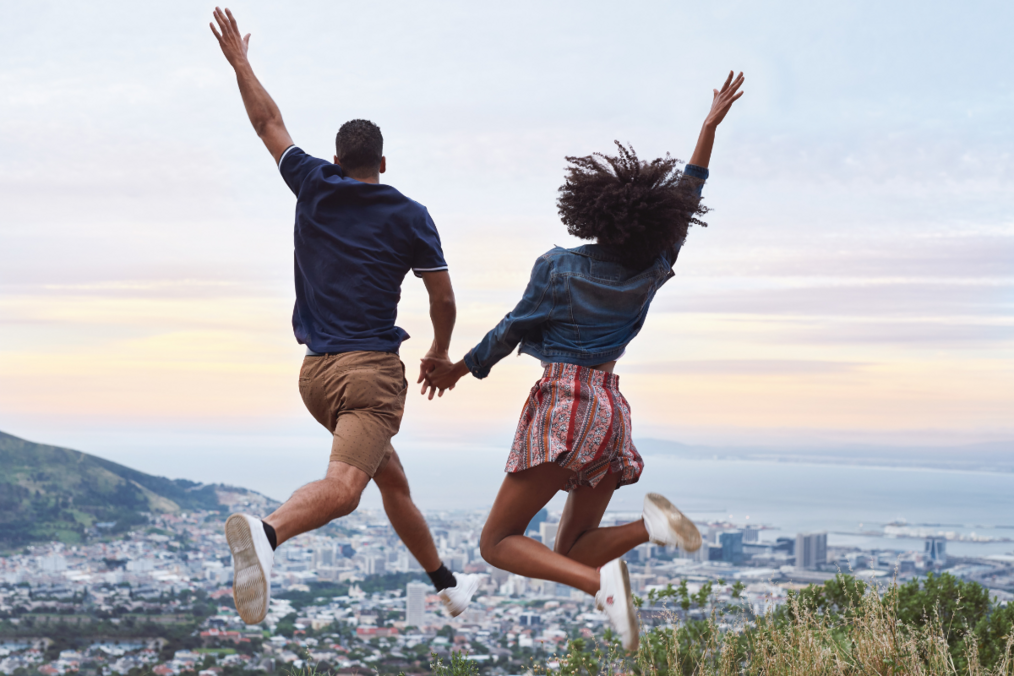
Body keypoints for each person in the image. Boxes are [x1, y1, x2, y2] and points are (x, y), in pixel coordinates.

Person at [423, 72, 745, 651]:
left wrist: (458, 369)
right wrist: (706, 131)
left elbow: (512, 328)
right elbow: (689, 193)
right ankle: (650, 528)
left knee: (496, 543)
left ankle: (600, 587)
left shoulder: (558, 267)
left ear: (592, 212)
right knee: (569, 545)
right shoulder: (655, 265)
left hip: (567, 406)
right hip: (610, 412)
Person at [210, 7, 478, 625]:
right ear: (383, 162)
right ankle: (267, 533)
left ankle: (446, 583)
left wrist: (242, 63)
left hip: (315, 378)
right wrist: (439, 350)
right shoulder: (410, 214)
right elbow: (443, 299)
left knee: (393, 482)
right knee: (346, 491)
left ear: (337, 159)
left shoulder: (312, 183)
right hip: (368, 375)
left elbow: (268, 122)